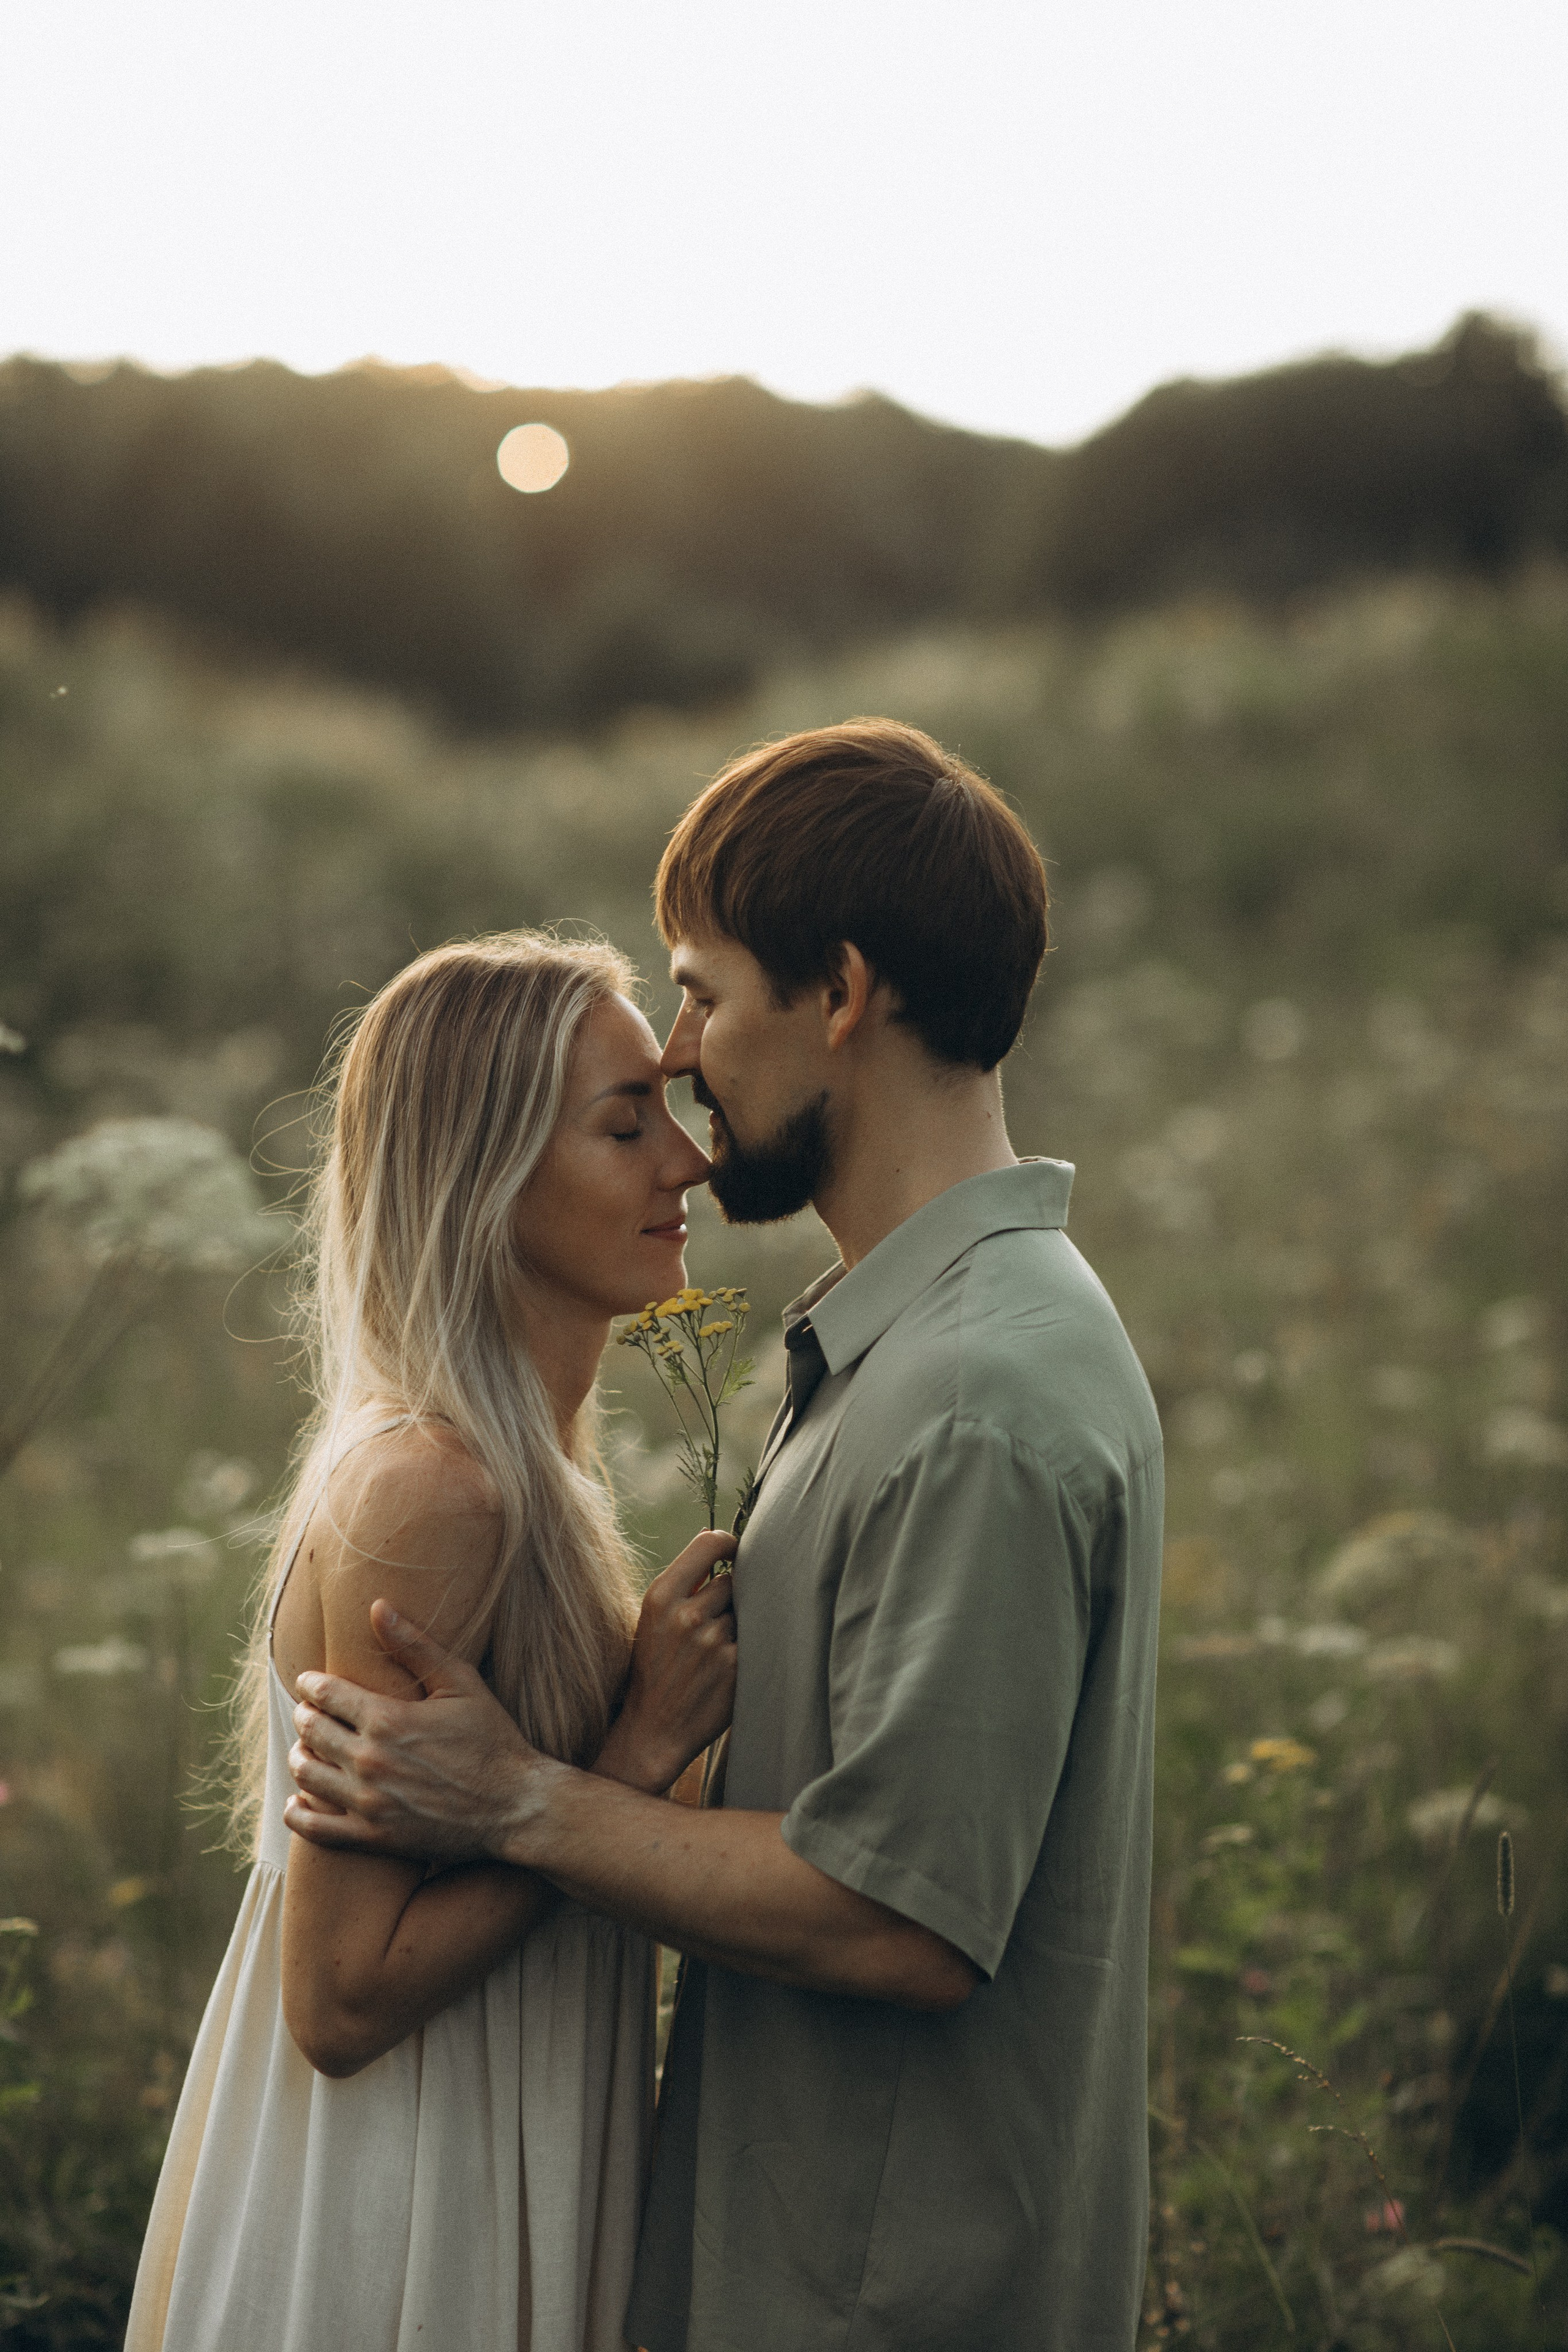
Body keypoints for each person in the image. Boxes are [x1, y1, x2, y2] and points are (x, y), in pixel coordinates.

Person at [287, 720, 1165, 2352]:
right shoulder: (914, 1348)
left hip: (887, 2295)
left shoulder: (976, 1396)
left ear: (839, 995)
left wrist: (524, 1796)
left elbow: (899, 1919)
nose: (682, 1054)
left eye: (699, 988)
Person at [126, 932, 744, 2352]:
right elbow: (341, 1998)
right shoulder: (432, 1491)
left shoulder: (527, 1476)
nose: (687, 1164)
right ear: (483, 1175)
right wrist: (638, 1750)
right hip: (398, 2203)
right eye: (622, 1123)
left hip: (492, 2143)